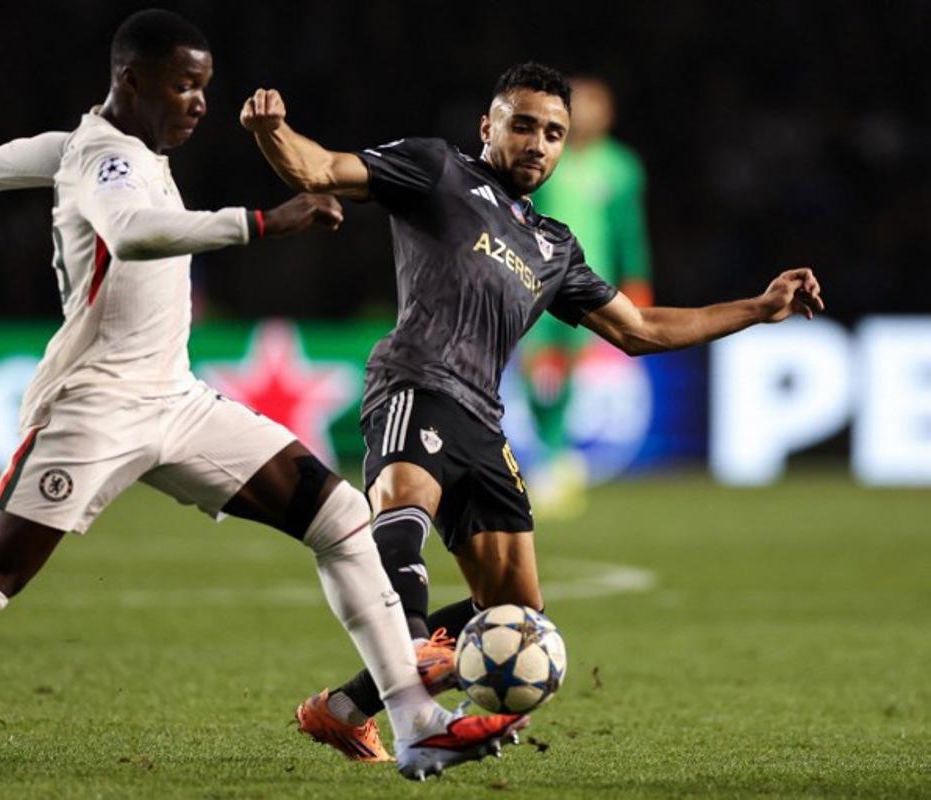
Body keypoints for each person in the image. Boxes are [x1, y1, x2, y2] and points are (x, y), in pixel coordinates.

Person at [0, 10, 525, 781]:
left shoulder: (100, 143)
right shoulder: (110, 159)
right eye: (183, 85)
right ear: (131, 79)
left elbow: (14, 157)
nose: (199, 102)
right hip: (92, 406)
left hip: (174, 401)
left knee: (342, 518)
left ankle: (415, 722)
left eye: (204, 86)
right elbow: (135, 231)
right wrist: (263, 222)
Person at [237, 60, 823, 761]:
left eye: (553, 132)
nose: (538, 143)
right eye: (523, 125)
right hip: (414, 381)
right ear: (488, 126)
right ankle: (415, 648)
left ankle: (343, 707)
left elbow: (638, 329)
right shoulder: (436, 170)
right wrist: (274, 133)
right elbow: (321, 169)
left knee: (515, 613)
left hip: (483, 419)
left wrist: (758, 309)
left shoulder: (553, 246)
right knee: (403, 503)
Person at [521, 76, 654, 518]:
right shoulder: (544, 156)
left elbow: (629, 230)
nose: (588, 116)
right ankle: (554, 455)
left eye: (596, 107)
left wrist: (637, 279)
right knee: (534, 369)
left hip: (590, 283)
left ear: (608, 115)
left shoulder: (621, 166)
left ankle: (554, 460)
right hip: (535, 277)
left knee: (570, 373)